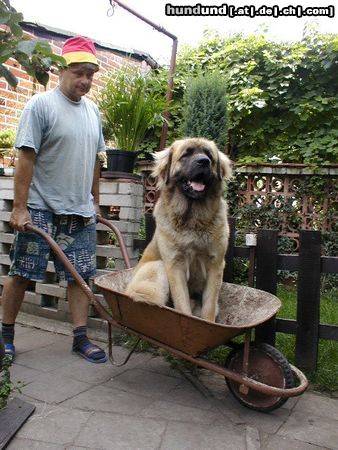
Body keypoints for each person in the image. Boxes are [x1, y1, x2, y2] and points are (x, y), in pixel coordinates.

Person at [1, 36, 107, 363]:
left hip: (80, 212)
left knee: (80, 277)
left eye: (90, 74)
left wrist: (95, 202)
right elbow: (26, 159)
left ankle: (79, 337)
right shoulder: (41, 106)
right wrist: (19, 207)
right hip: (40, 208)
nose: (85, 81)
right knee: (22, 273)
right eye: (79, 73)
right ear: (63, 69)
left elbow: (94, 161)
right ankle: (5, 334)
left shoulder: (93, 112)